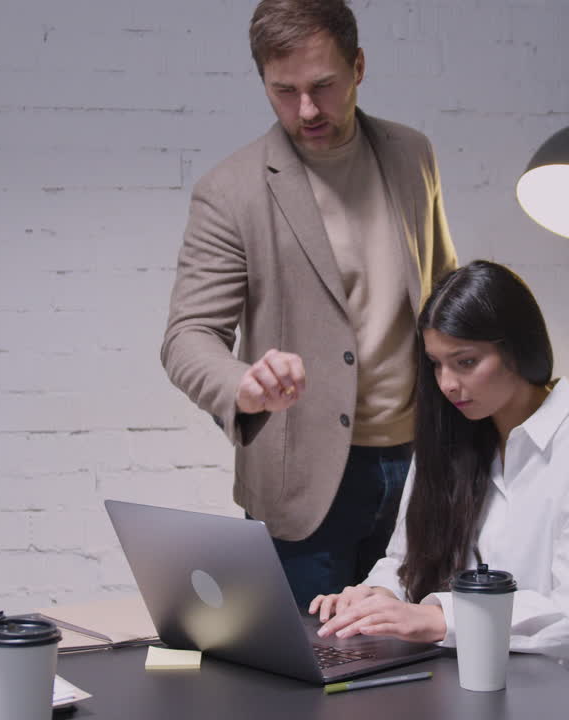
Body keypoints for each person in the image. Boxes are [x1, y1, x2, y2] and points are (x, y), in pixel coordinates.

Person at [161, 0, 457, 607]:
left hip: (418, 466)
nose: (306, 110)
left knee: (415, 676)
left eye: (323, 85)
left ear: (358, 66)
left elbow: (443, 293)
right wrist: (242, 384)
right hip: (301, 482)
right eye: (283, 91)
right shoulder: (229, 191)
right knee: (310, 684)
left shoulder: (412, 156)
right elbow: (187, 336)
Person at [309, 260, 569, 720]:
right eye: (436, 365)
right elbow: (404, 561)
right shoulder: (452, 439)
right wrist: (376, 597)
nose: (448, 384)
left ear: (518, 348)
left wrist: (441, 619)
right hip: (460, 696)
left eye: (466, 362)